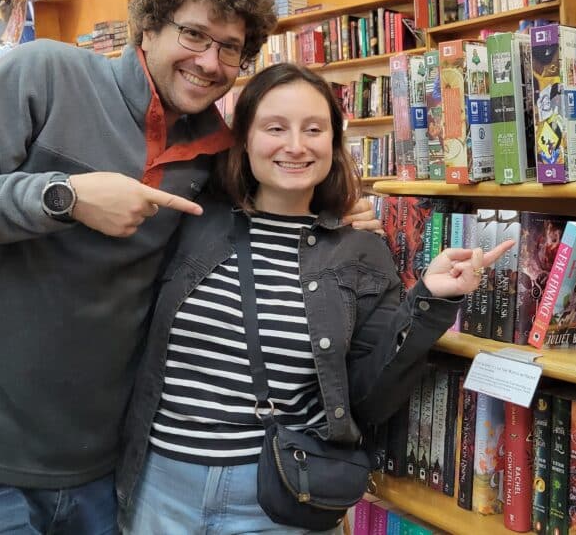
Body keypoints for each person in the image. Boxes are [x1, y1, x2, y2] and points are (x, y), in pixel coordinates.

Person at [0, 0, 374, 534]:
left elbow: (258, 210)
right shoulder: (45, 73)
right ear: (148, 27)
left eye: (230, 48)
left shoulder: (215, 151)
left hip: (101, 462)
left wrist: (331, 224)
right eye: (193, 35)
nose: (210, 62)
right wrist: (64, 196)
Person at [116, 63, 515, 534]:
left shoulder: (360, 252)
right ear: (243, 139)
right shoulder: (192, 223)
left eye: (314, 129)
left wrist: (428, 298)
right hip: (160, 486)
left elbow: (369, 396)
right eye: (275, 128)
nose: (296, 145)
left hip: (281, 494)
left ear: (333, 142)